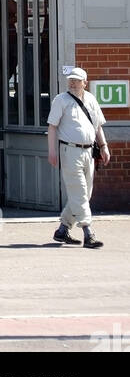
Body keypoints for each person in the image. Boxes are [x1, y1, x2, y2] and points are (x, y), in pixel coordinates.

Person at [47, 67, 110, 248]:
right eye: (71, 80)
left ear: (85, 82)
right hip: (69, 151)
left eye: (76, 80)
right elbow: (52, 127)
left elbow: (98, 126)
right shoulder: (61, 100)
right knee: (80, 191)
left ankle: (62, 229)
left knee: (84, 193)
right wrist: (52, 151)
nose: (72, 83)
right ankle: (88, 232)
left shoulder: (91, 99)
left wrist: (104, 146)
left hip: (89, 152)